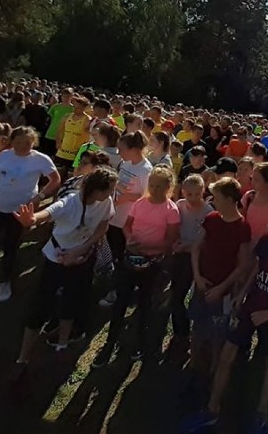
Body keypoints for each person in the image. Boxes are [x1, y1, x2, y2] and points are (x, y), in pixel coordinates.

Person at [185, 203, 268, 434]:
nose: (267, 225)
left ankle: (260, 413)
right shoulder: (265, 244)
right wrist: (242, 294)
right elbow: (256, 270)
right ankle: (213, 407)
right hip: (250, 308)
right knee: (227, 354)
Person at [10, 167, 117, 375]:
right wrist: (31, 219)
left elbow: (102, 228)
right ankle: (22, 358)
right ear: (97, 190)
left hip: (83, 260)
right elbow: (48, 213)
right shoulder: (70, 202)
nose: (113, 193)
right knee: (40, 306)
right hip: (55, 260)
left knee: (72, 301)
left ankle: (62, 344)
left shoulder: (106, 202)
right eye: (110, 189)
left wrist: (80, 251)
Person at [93, 165, 180, 366]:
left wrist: (147, 246)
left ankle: (139, 343)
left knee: (144, 303)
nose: (156, 189)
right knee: (121, 300)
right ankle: (110, 341)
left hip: (153, 262)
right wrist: (130, 240)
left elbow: (171, 240)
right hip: (131, 257)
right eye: (153, 185)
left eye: (160, 186)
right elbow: (127, 226)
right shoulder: (140, 203)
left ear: (168, 187)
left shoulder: (171, 209)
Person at [0, 127, 61, 301]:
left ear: (34, 142)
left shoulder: (40, 159)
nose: (23, 146)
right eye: (19, 142)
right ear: (11, 141)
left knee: (10, 246)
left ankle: (5, 280)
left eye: (28, 143)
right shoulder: (4, 156)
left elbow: (55, 179)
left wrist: (39, 197)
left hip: (20, 211)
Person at [189, 178, 251, 386]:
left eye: (216, 197)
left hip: (222, 291)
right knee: (197, 327)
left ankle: (214, 372)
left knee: (218, 334)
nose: (213, 201)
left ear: (229, 199)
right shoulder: (212, 218)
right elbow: (197, 247)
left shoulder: (242, 227)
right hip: (202, 284)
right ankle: (195, 366)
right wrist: (197, 275)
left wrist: (222, 288)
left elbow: (242, 265)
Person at [100, 131, 152, 307]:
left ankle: (120, 292)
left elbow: (148, 197)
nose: (118, 151)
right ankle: (115, 286)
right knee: (114, 255)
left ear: (134, 149)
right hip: (115, 217)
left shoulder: (146, 170)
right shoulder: (125, 163)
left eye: (121, 148)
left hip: (128, 223)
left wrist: (126, 198)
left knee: (124, 258)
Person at [170, 174, 213, 345]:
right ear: (183, 193)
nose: (193, 198)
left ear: (203, 191)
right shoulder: (180, 206)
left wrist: (186, 246)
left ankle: (193, 332)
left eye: (197, 194)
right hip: (180, 254)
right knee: (176, 294)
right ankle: (180, 331)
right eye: (189, 194)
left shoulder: (208, 212)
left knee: (192, 295)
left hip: (196, 257)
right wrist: (175, 243)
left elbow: (206, 241)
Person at [241, 162, 268, 245]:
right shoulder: (249, 197)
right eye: (252, 178)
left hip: (267, 250)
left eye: (257, 179)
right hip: (247, 246)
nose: (252, 182)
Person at [55, 96, 91, 175]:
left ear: (84, 107)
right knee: (57, 173)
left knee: (70, 175)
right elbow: (59, 130)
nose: (75, 109)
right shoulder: (67, 116)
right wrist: (58, 142)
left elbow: (90, 136)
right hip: (62, 151)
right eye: (74, 107)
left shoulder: (87, 119)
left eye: (77, 107)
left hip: (76, 154)